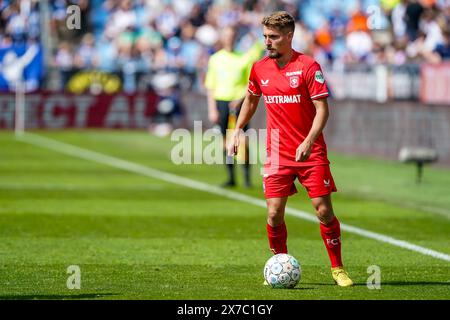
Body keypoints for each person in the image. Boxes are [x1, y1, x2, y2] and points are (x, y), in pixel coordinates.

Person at [227, 11, 353, 287]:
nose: (267, 42)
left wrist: (308, 141)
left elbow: (323, 110)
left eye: (273, 37)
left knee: (323, 211)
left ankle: (338, 268)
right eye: (265, 37)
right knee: (273, 213)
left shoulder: (308, 66)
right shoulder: (259, 68)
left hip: (311, 152)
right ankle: (279, 264)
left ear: (289, 36)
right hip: (277, 152)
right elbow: (250, 100)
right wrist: (236, 130)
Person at [205, 26, 263, 188]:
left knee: (242, 139)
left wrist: (240, 99)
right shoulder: (215, 59)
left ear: (235, 37)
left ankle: (246, 178)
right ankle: (231, 177)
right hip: (221, 101)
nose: (229, 38)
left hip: (239, 103)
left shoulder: (243, 58)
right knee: (225, 140)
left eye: (232, 35)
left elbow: (251, 83)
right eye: (226, 35)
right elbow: (210, 86)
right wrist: (212, 109)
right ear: (222, 38)